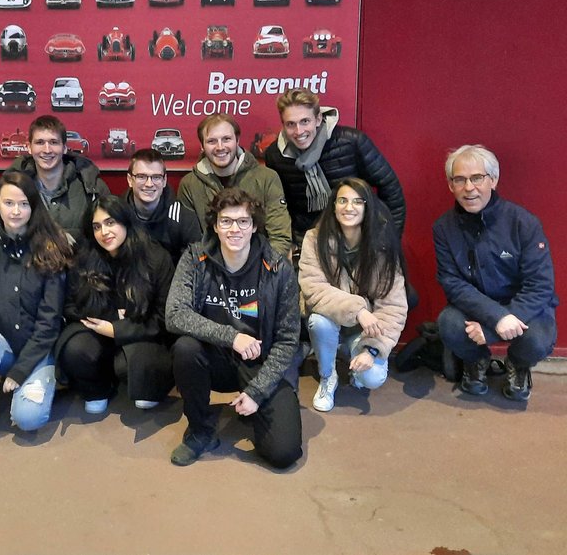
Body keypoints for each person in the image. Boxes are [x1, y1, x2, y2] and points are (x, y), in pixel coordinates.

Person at [166, 187, 302, 469]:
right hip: (214, 358)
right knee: (185, 348)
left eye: (243, 221)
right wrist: (232, 336)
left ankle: (253, 406)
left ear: (254, 227)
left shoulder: (278, 269)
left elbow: (288, 341)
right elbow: (175, 314)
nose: (234, 229)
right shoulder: (195, 257)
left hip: (260, 362)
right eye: (226, 221)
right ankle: (200, 431)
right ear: (215, 226)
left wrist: (258, 391)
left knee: (283, 453)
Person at [0, 171, 73, 439]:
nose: (16, 211)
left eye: (24, 204)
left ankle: (32, 383)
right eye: (9, 203)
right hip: (0, 344)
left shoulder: (51, 250)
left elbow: (49, 321)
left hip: (39, 350)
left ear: (34, 205)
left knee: (28, 419)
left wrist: (21, 371)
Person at [433, 145, 557, 401]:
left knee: (537, 340)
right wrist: (496, 317)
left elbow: (540, 286)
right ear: (450, 185)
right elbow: (452, 283)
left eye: (477, 178)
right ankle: (476, 362)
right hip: (474, 307)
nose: (469, 188)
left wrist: (497, 325)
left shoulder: (524, 223)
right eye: (460, 179)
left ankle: (518, 364)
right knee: (450, 324)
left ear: (494, 180)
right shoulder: (443, 228)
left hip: (523, 308)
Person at [58, 196, 175, 414]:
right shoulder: (84, 257)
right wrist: (112, 319)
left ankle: (144, 381)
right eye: (97, 226)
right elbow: (70, 305)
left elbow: (163, 316)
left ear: (125, 221)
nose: (104, 232)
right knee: (75, 350)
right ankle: (98, 388)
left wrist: (119, 329)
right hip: (96, 329)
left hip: (142, 333)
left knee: (135, 374)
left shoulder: (155, 257)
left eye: (110, 223)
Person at [299, 178, 408, 412]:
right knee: (318, 321)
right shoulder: (313, 239)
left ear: (368, 207)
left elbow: (394, 306)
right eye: (343, 201)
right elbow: (313, 289)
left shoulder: (383, 245)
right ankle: (328, 376)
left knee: (373, 378)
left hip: (366, 331)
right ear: (333, 206)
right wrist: (358, 310)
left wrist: (372, 350)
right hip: (331, 321)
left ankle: (354, 353)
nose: (349, 208)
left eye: (358, 202)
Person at [264, 88, 405, 247]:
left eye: (305, 121)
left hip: (358, 240)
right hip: (308, 244)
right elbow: (279, 208)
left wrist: (387, 242)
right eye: (291, 124)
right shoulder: (275, 155)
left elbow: (391, 188)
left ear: (318, 119)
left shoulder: (352, 142)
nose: (299, 131)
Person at [177, 114, 291, 257]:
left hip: (260, 267)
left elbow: (280, 237)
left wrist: (264, 270)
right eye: (212, 141)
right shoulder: (189, 184)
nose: (220, 147)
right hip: (210, 269)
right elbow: (191, 242)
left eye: (226, 139)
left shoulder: (267, 178)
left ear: (237, 140)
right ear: (202, 146)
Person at [5, 114, 110, 242]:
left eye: (53, 142)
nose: (47, 150)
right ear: (29, 148)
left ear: (64, 148)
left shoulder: (93, 187)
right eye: (40, 142)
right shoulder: (10, 188)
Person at [123, 148, 201, 265]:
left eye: (156, 177)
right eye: (141, 177)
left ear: (164, 180)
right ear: (130, 180)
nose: (149, 184)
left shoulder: (184, 218)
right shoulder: (116, 214)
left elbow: (197, 266)